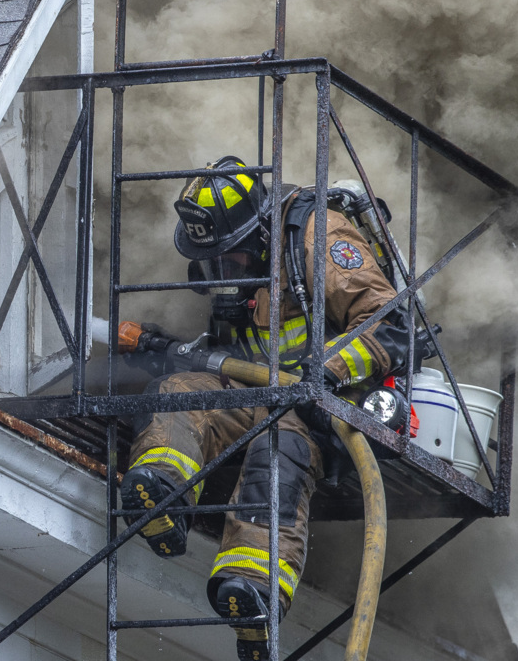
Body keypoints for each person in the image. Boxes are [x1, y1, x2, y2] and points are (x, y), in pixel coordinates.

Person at [120, 156, 412, 661]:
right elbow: (232, 351)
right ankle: (160, 497)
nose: (221, 272)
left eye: (228, 258)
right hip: (258, 391)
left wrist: (327, 373)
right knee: (182, 390)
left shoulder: (315, 235)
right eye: (211, 260)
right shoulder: (237, 265)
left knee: (280, 443)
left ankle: (254, 592)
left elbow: (389, 325)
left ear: (257, 236)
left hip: (327, 406)